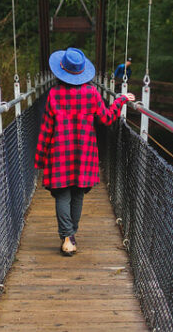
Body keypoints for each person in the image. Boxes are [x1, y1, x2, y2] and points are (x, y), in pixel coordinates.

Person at [35, 46, 135, 256]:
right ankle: (71, 236)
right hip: (85, 153)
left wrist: (40, 158)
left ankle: (67, 237)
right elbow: (107, 118)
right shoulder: (91, 93)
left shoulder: (54, 94)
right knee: (78, 194)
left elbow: (46, 129)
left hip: (59, 152)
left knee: (62, 194)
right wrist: (120, 100)